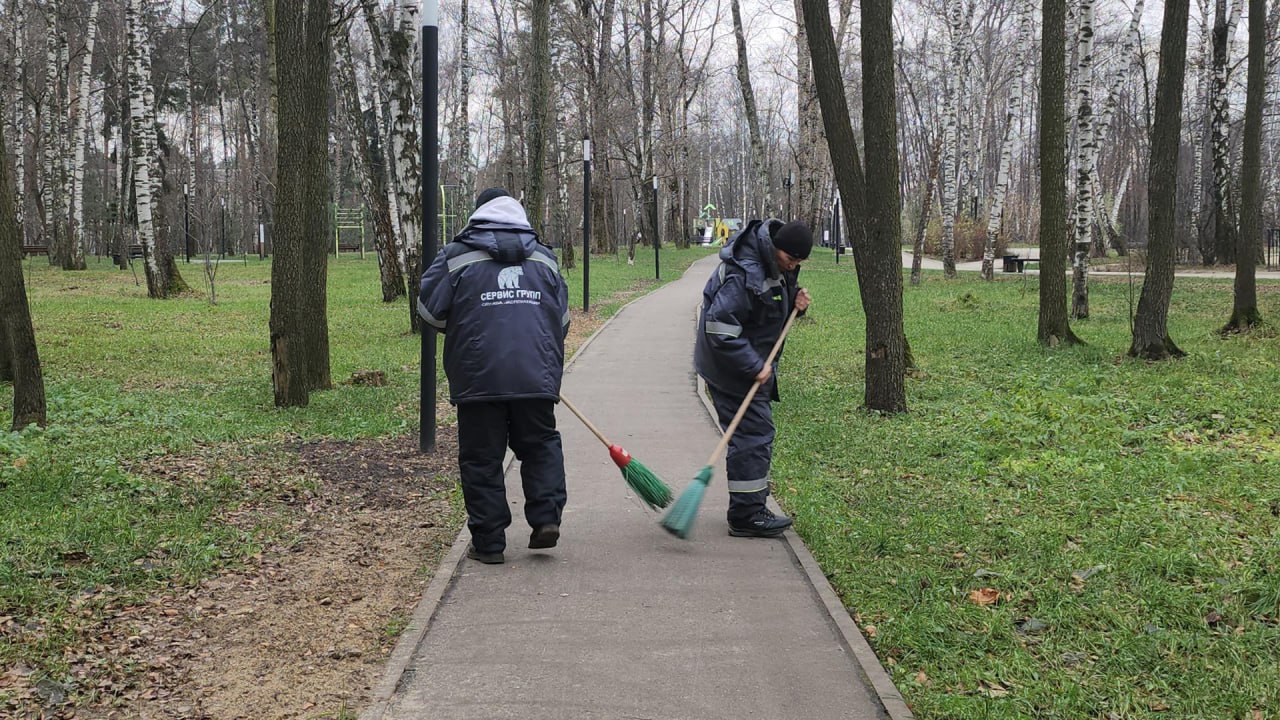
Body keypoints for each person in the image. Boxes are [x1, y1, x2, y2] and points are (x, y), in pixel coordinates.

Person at [418, 188, 570, 564]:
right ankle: (546, 518)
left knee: (481, 457)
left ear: (478, 214)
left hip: (477, 376)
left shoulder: (456, 257)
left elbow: (427, 311)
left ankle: (489, 543)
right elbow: (562, 320)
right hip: (535, 375)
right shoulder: (545, 259)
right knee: (539, 446)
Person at [694, 218, 813, 538]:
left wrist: (796, 307)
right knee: (754, 435)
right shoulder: (745, 272)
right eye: (791, 260)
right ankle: (747, 515)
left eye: (799, 263)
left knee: (754, 433)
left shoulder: (776, 264)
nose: (793, 268)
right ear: (777, 248)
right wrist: (753, 364)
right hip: (730, 366)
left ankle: (750, 508)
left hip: (748, 362)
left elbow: (768, 308)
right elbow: (719, 327)